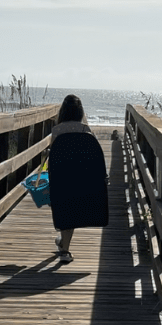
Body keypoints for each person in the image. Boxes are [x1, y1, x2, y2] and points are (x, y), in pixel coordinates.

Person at [40, 94, 108, 263]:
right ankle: (64, 247)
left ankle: (64, 246)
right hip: (80, 178)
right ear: (80, 112)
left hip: (61, 178)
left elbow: (54, 155)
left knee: (63, 210)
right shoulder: (85, 130)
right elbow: (93, 156)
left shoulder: (57, 130)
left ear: (62, 111)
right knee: (72, 210)